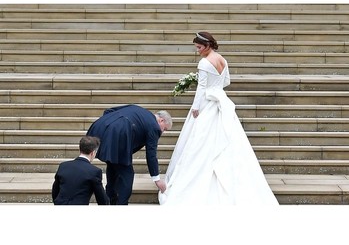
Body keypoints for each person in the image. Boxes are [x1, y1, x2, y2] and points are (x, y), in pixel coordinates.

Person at [159, 32, 279, 205]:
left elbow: (201, 89)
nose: (198, 51)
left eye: (199, 47)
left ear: (207, 46)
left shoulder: (204, 62)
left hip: (207, 103)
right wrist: (214, 87)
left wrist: (196, 108)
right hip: (220, 101)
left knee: (199, 143)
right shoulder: (222, 59)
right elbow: (226, 82)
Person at [86, 104, 172, 205]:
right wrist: (157, 179)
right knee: (127, 176)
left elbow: (109, 111)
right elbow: (151, 154)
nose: (162, 132)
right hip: (118, 134)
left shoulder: (138, 109)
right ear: (161, 120)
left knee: (113, 165)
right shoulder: (154, 127)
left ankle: (110, 201)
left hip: (101, 126)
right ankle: (121, 205)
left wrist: (110, 126)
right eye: (164, 129)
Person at [52, 136, 109, 205]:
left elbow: (55, 190)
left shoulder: (63, 166)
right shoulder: (94, 171)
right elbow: (101, 198)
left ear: (80, 149)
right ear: (93, 153)